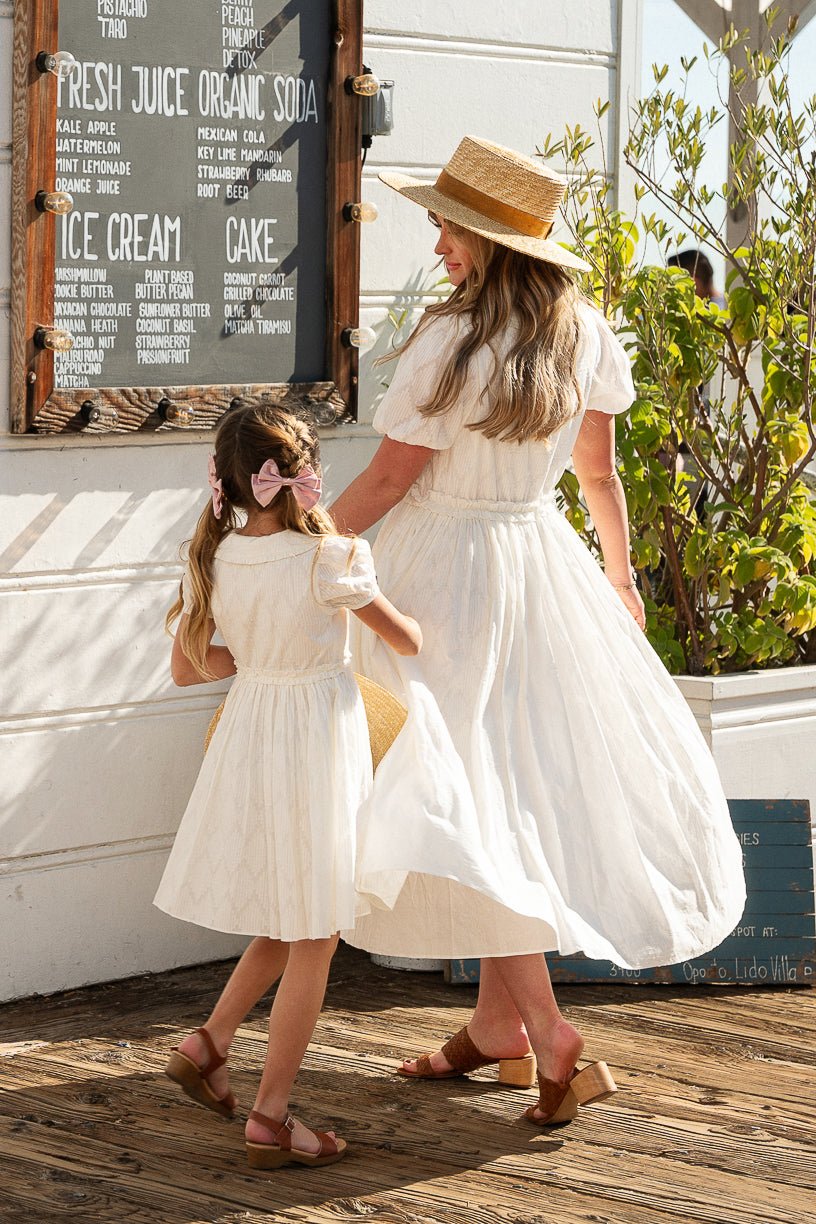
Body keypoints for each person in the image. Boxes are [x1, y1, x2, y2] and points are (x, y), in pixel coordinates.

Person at [330, 137, 746, 1128]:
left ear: (483, 238)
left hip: (441, 579)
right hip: (540, 566)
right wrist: (619, 573)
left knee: (452, 796)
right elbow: (597, 475)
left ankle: (552, 1033)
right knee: (503, 787)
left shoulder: (450, 342)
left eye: (446, 226)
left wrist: (310, 542)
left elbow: (390, 480)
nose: (436, 243)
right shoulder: (583, 332)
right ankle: (499, 1031)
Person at [154, 404, 422, 1170]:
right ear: (304, 473)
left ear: (228, 480)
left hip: (254, 734)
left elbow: (187, 668)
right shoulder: (331, 557)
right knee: (316, 927)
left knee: (291, 907)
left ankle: (208, 1043)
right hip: (313, 742)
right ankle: (270, 1115)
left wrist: (264, 658)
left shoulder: (214, 558)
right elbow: (405, 638)